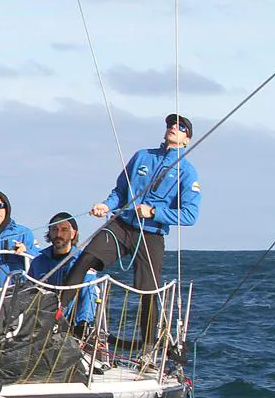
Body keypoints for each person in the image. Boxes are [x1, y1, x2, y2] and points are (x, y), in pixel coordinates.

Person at [64, 113, 201, 340]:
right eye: (170, 124)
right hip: (122, 225)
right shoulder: (142, 157)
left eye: (181, 127)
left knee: (148, 291)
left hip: (151, 234)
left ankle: (147, 348)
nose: (173, 128)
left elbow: (190, 215)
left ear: (187, 140)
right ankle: (54, 318)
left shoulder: (187, 171)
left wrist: (155, 212)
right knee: (85, 258)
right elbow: (120, 191)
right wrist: (106, 206)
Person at [28, 212, 96, 328]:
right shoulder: (38, 262)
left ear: (73, 234)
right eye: (54, 229)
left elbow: (88, 294)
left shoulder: (84, 262)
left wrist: (83, 323)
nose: (58, 234)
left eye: (64, 230)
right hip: (41, 323)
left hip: (72, 323)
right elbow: (28, 292)